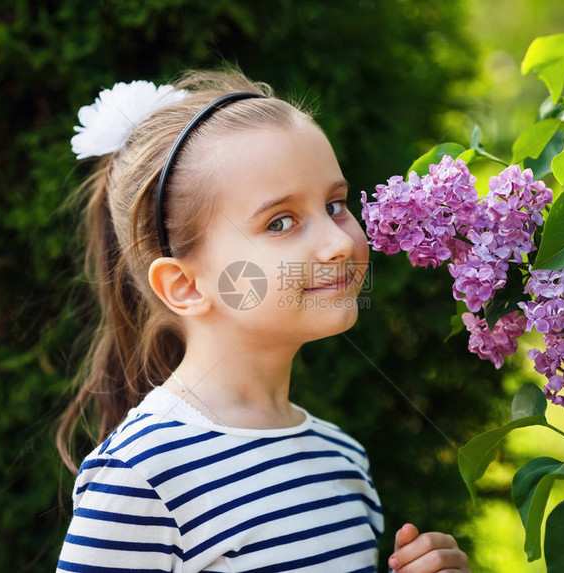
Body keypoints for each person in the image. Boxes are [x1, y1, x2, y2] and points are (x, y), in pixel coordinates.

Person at [55, 67, 471, 573]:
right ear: (185, 286)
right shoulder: (142, 476)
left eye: (335, 205)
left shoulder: (342, 461)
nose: (340, 243)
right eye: (280, 222)